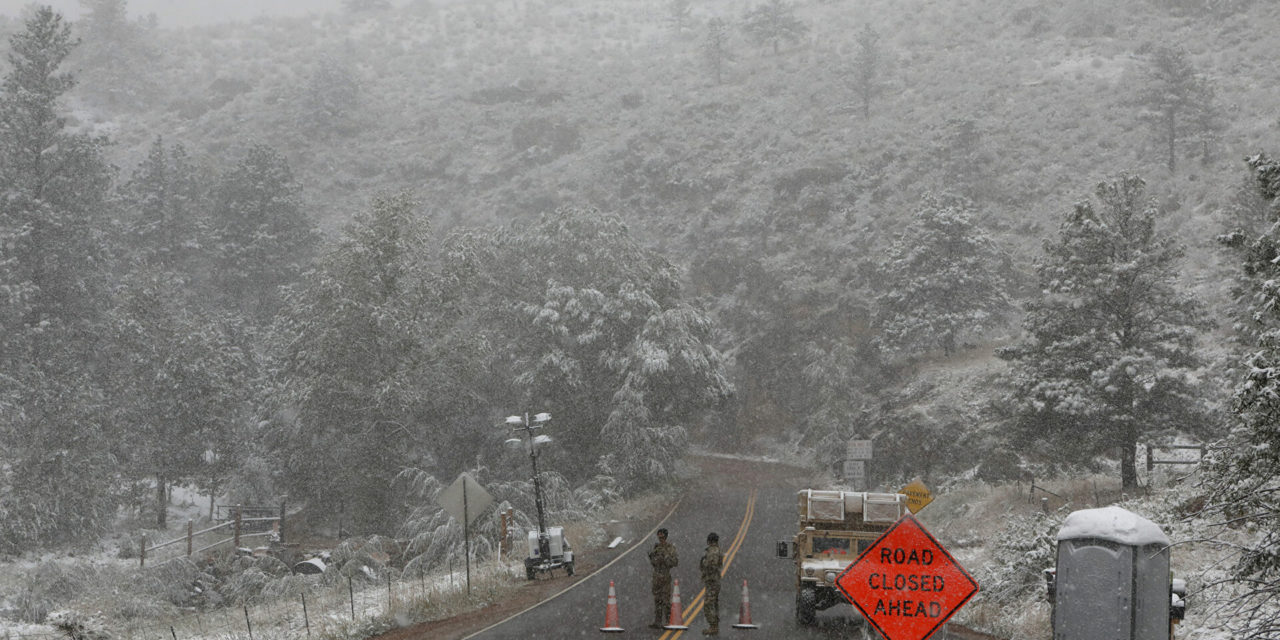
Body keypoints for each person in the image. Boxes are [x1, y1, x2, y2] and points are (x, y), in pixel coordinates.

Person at [648, 528, 679, 629]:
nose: (661, 539)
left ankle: (668, 620)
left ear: (666, 537)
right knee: (657, 599)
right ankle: (658, 621)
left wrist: (665, 557)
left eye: (662, 537)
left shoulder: (670, 548)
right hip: (656, 576)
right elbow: (653, 563)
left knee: (666, 600)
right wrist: (653, 557)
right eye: (659, 537)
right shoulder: (656, 548)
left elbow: (674, 562)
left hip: (665, 576)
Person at [700, 531, 722, 635]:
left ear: (709, 541)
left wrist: (704, 564)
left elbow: (711, 565)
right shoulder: (716, 550)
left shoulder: (712, 552)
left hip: (712, 581)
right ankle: (715, 626)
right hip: (714, 580)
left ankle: (713, 626)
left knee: (708, 604)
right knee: (714, 603)